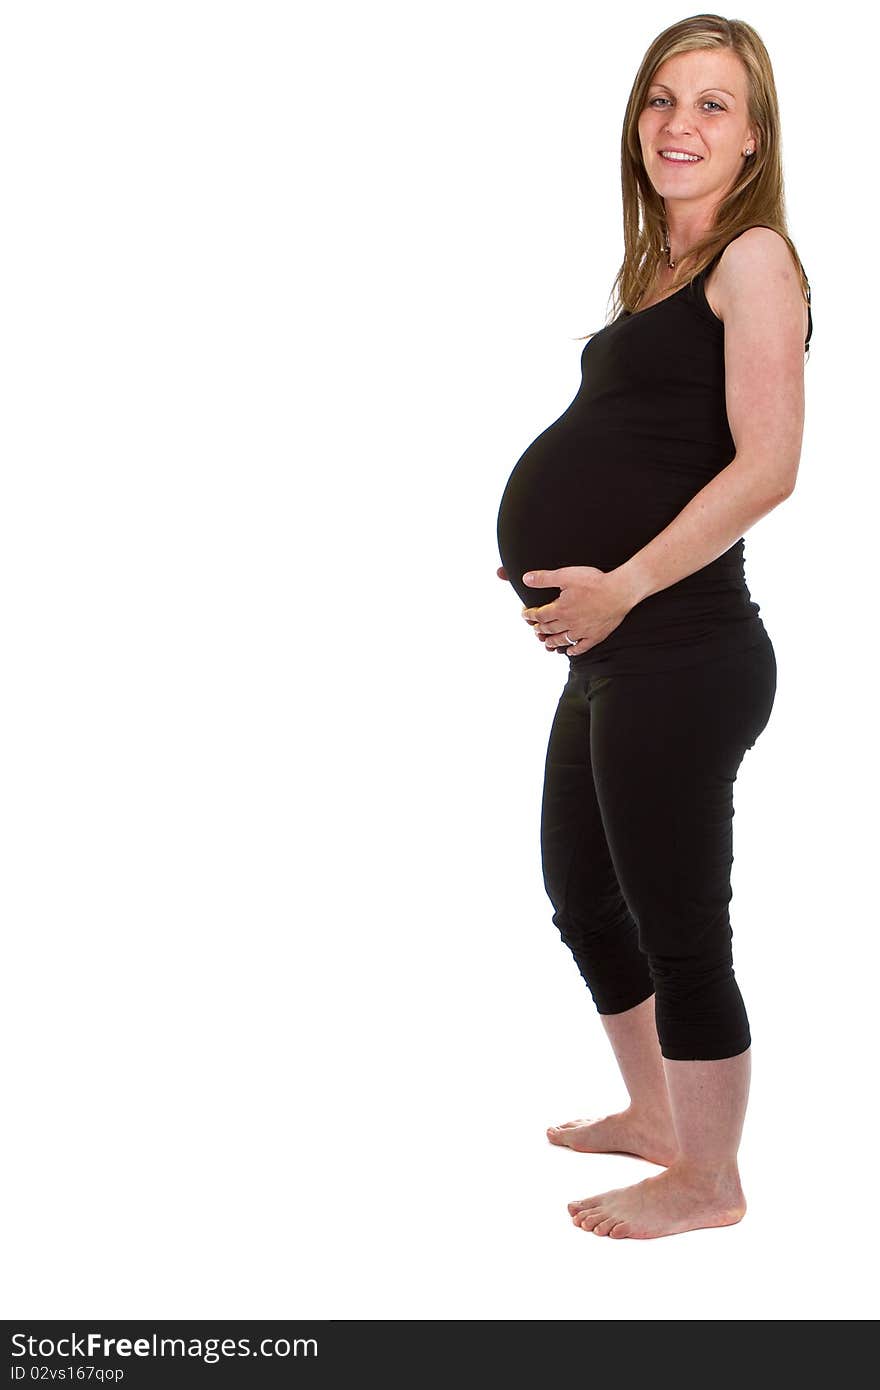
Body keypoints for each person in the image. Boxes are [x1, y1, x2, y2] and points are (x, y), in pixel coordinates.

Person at [494, 15, 812, 1240]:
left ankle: (708, 1181)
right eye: (662, 100)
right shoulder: (660, 277)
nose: (681, 125)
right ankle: (657, 1115)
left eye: (714, 106)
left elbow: (770, 466)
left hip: (683, 653)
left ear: (752, 138)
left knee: (680, 924)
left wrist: (620, 581)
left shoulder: (755, 259)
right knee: (582, 890)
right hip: (616, 654)